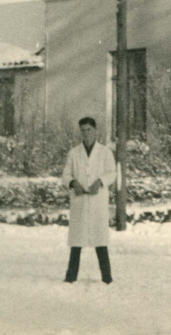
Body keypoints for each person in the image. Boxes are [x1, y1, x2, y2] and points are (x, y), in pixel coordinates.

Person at [61, 116, 117, 284]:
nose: (86, 134)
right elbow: (65, 175)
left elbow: (112, 173)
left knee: (100, 240)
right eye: (83, 131)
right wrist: (73, 183)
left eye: (89, 130)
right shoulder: (74, 152)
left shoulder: (105, 152)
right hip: (80, 200)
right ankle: (71, 276)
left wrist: (100, 182)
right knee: (76, 242)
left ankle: (107, 277)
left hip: (97, 200)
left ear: (95, 131)